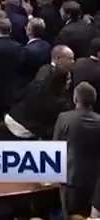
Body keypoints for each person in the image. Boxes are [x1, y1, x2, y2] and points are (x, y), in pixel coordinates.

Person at [53, 82, 100, 217]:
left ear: (75, 99)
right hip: (95, 182)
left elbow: (55, 148)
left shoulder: (64, 118)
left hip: (70, 181)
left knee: (71, 215)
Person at [3, 59, 71, 139]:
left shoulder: (36, 86)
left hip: (11, 117)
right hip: (24, 130)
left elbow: (18, 97)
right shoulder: (61, 104)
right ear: (61, 81)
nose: (70, 81)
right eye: (68, 79)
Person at [21, 18, 52, 87]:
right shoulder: (48, 46)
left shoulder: (26, 50)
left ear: (29, 31)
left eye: (27, 27)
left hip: (29, 84)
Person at [72, 38, 100, 110]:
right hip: (94, 109)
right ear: (98, 53)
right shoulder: (97, 70)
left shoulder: (78, 62)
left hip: (75, 106)